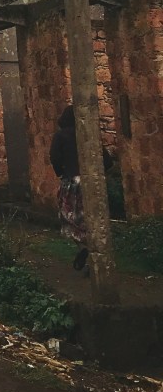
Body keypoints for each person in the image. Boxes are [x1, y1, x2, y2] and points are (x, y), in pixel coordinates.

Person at [50, 105, 113, 272]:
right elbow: (107, 160)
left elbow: (54, 157)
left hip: (72, 183)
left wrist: (61, 172)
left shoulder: (61, 136)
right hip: (92, 182)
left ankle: (84, 248)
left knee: (69, 218)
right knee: (92, 219)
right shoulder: (88, 133)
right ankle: (95, 257)